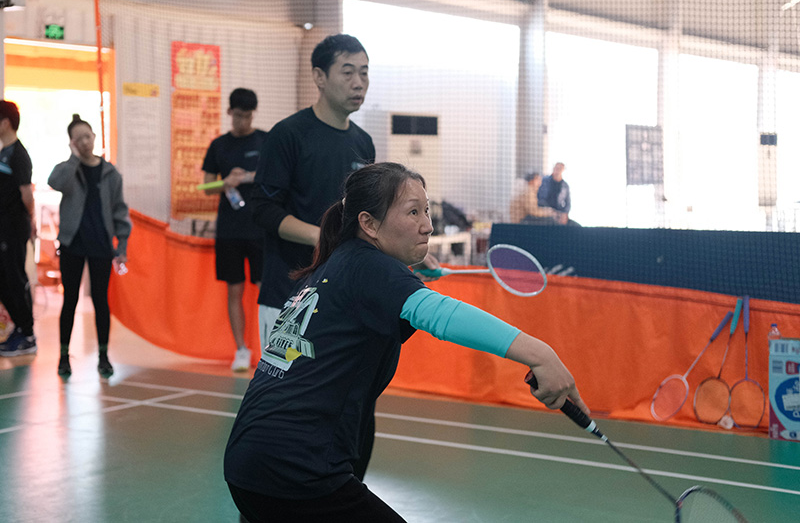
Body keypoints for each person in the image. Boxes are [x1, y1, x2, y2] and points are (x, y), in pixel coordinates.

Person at [224, 162, 586, 523]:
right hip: (295, 471)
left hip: (249, 463)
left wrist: (405, 272)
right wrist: (541, 354)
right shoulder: (369, 268)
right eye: (413, 212)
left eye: (426, 211)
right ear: (369, 224)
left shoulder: (335, 265)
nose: (428, 225)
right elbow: (440, 315)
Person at [249, 33, 378, 479]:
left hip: (343, 300)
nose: (359, 82)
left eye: (365, 72)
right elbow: (264, 210)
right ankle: (262, 500)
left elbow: (365, 221)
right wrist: (324, 238)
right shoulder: (288, 135)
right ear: (320, 77)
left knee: (348, 410)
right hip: (289, 297)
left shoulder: (364, 144)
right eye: (348, 71)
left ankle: (340, 496)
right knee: (284, 412)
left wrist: (400, 254)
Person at [48, 114, 132, 377]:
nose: (84, 142)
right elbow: (55, 182)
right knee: (70, 300)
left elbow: (120, 211)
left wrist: (122, 246)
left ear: (94, 137)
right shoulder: (68, 169)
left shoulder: (110, 173)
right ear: (72, 143)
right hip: (72, 245)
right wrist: (73, 159)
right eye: (78, 139)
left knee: (100, 300)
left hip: (100, 246)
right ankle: (64, 356)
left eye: (87, 136)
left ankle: (103, 356)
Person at [202, 88, 268, 372]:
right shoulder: (219, 146)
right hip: (229, 231)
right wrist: (226, 181)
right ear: (229, 112)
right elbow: (207, 186)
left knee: (267, 291)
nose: (243, 121)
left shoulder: (265, 140)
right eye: (239, 115)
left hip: (261, 229)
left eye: (248, 116)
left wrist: (249, 177)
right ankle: (241, 349)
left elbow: (276, 177)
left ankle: (269, 349)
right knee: (234, 290)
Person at [0, 100, 37, 357]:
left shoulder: (19, 155)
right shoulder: (4, 152)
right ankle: (19, 328)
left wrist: (30, 220)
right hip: (3, 227)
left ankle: (28, 334)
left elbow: (27, 195)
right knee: (3, 279)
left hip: (14, 227)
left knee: (15, 279)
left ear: (5, 123)